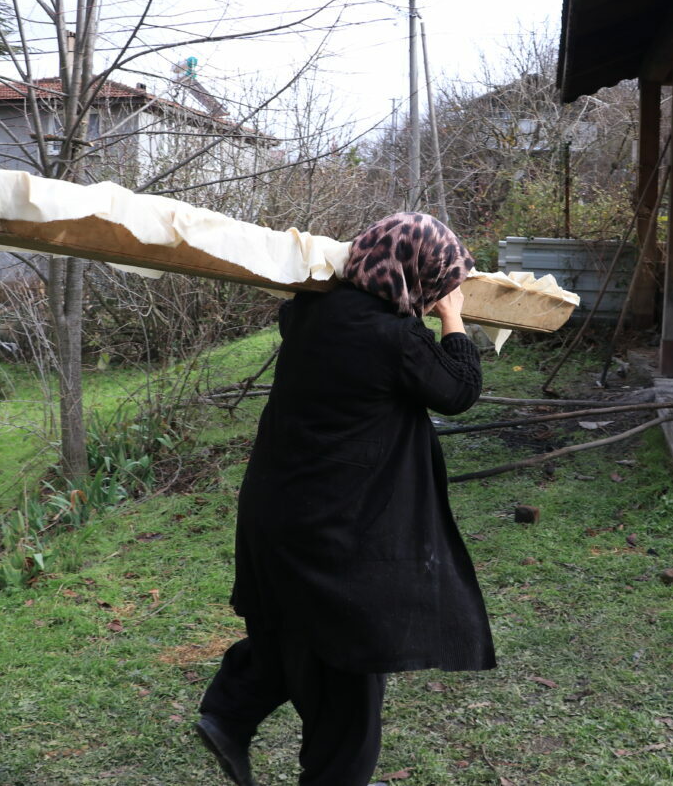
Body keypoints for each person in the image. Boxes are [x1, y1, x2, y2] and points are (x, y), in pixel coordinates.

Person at [195, 213, 496, 786]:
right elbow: (458, 390)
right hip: (337, 525)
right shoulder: (393, 338)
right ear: (416, 276)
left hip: (277, 510)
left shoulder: (311, 313)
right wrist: (453, 317)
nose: (441, 291)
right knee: (352, 663)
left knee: (294, 633)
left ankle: (230, 713)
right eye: (440, 280)